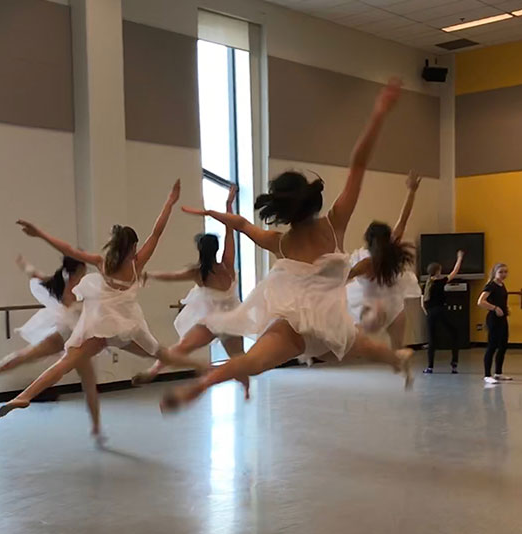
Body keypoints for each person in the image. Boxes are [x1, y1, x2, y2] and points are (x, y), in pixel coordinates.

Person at [159, 78, 414, 412]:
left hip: (301, 325)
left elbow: (242, 224)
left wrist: (211, 212)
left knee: (253, 361)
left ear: (281, 210)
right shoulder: (334, 224)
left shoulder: (280, 242)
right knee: (368, 347)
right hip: (324, 325)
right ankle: (397, 357)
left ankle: (201, 386)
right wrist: (378, 114)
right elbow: (358, 164)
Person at [0, 179, 208, 420]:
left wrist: (40, 233)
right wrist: (170, 201)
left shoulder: (103, 262)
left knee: (65, 363)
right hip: (127, 326)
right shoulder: (137, 263)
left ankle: (24, 396)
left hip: (99, 326)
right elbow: (157, 232)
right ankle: (199, 367)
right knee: (159, 352)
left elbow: (68, 250)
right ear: (134, 246)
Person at [0, 255, 105, 441]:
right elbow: (34, 274)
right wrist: (25, 264)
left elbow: (33, 273)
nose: (84, 275)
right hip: (70, 338)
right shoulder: (64, 286)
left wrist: (24, 263)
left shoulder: (67, 286)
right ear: (75, 272)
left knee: (28, 356)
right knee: (87, 382)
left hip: (70, 336)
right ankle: (96, 427)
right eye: (82, 271)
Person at [133, 183, 243, 385]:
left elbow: (171, 276)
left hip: (212, 320)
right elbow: (230, 230)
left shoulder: (198, 272)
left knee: (182, 347)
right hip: (231, 319)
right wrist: (228, 204)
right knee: (240, 360)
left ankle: (154, 370)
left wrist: (149, 275)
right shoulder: (227, 264)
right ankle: (244, 389)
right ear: (216, 249)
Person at [346, 171, 422, 349]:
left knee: (359, 333)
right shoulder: (392, 248)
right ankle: (402, 368)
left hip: (373, 309)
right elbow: (403, 219)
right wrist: (412, 190)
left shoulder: (365, 262)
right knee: (398, 349)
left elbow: (344, 277)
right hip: (395, 307)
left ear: (368, 239)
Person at [422, 250, 465, 374]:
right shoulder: (440, 282)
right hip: (441, 311)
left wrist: (428, 313)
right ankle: (454, 364)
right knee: (454, 333)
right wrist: (459, 258)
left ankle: (430, 367)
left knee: (432, 340)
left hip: (430, 313)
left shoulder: (426, 284)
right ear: (438, 271)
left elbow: (423, 303)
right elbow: (454, 272)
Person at [477, 263, 510, 387]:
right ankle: (487, 375)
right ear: (495, 273)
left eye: (505, 272)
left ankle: (498, 372)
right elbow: (480, 302)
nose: (503, 274)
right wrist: (494, 308)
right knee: (492, 346)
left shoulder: (502, 285)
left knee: (503, 345)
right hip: (493, 319)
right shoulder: (491, 285)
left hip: (503, 319)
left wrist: (505, 308)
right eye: (501, 272)